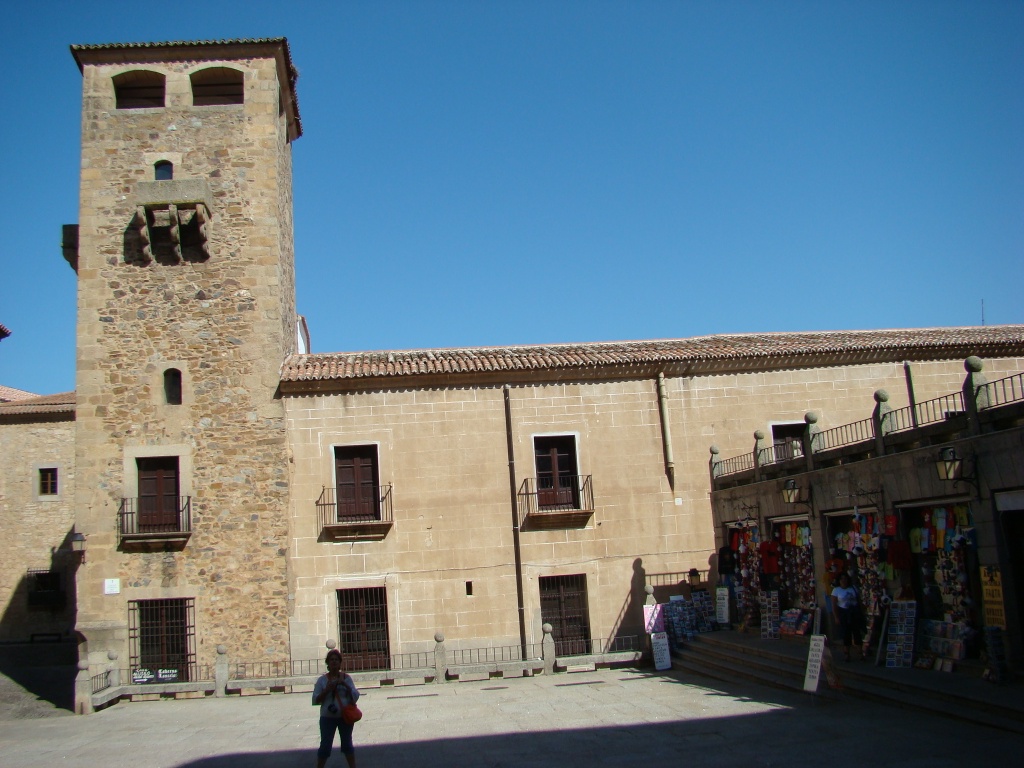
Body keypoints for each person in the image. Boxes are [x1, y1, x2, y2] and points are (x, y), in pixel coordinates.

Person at [312, 649, 360, 768]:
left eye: (336, 660)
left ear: (340, 663)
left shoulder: (346, 678)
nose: (334, 662)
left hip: (345, 717)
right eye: (331, 660)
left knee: (347, 744)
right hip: (327, 718)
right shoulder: (322, 680)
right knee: (325, 745)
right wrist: (327, 690)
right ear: (327, 663)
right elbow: (315, 700)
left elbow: (355, 696)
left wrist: (345, 685)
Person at [831, 573, 863, 661]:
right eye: (841, 579)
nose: (843, 581)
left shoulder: (853, 588)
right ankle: (847, 653)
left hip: (854, 613)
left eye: (845, 579)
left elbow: (858, 600)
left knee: (857, 633)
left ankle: (860, 653)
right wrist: (836, 617)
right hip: (844, 613)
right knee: (846, 634)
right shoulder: (836, 590)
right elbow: (834, 605)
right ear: (839, 581)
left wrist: (861, 612)